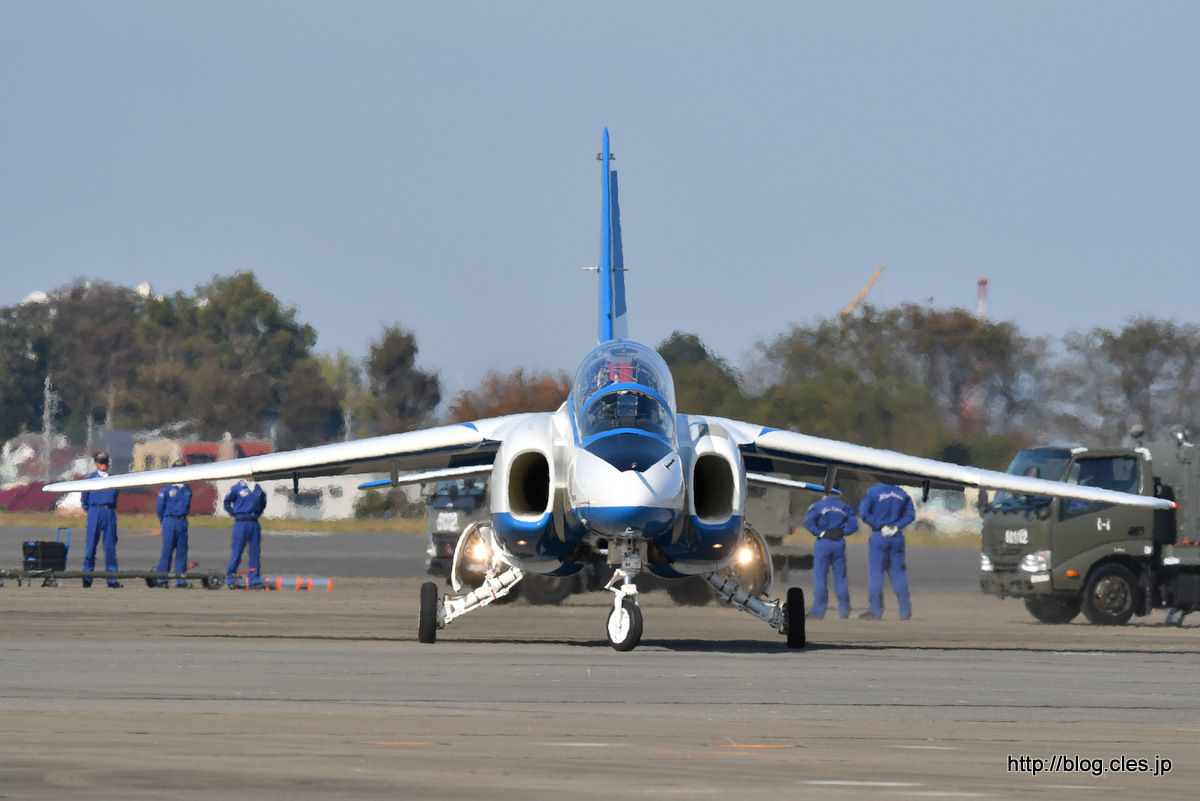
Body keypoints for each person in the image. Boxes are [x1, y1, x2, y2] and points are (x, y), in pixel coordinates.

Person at [857, 483, 915, 620]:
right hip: (896, 536)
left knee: (877, 573)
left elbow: (863, 513)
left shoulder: (873, 491)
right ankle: (905, 611)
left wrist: (879, 525)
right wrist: (897, 526)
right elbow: (911, 515)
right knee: (898, 574)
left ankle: (875, 611)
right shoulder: (902, 494)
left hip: (879, 535)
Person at [802, 490, 858, 619]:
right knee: (840, 577)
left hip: (823, 543)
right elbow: (854, 526)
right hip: (839, 543)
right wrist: (842, 532)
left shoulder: (817, 506)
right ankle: (844, 610)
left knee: (820, 577)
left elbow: (808, 523)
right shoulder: (844, 507)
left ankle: (818, 611)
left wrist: (821, 533)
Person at [80, 452, 121, 588]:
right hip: (94, 511)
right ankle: (87, 577)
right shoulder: (90, 480)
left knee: (110, 546)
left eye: (105, 462)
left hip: (108, 511)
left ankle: (112, 578)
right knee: (91, 545)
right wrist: (91, 510)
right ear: (96, 464)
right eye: (101, 462)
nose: (104, 465)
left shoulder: (114, 480)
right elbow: (84, 499)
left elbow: (115, 497)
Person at [224, 477, 267, 589]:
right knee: (237, 551)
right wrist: (234, 513)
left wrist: (257, 513)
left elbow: (263, 503)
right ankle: (231, 578)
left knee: (255, 552)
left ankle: (254, 578)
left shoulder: (258, 489)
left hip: (254, 522)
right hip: (241, 523)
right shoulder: (237, 488)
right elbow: (227, 502)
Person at [156, 460, 192, 588]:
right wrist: (164, 520)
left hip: (182, 520)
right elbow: (159, 507)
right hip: (170, 520)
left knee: (182, 551)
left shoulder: (187, 489)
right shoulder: (166, 489)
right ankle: (162, 579)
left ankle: (180, 580)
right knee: (167, 550)